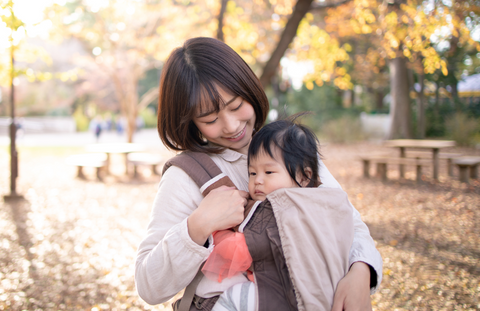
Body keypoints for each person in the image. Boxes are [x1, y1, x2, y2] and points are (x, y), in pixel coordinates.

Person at [135, 37, 382, 311]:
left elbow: (347, 219)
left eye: (236, 105)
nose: (231, 126)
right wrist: (197, 226)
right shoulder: (186, 176)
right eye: (210, 119)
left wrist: (362, 271)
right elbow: (148, 285)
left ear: (249, 89)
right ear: (190, 122)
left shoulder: (287, 147)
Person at [204, 115, 355, 311]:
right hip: (323, 294)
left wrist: (217, 229)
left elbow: (236, 251)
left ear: (303, 176)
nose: (258, 180)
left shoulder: (276, 212)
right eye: (252, 173)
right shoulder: (325, 202)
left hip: (282, 297)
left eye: (268, 173)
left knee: (232, 297)